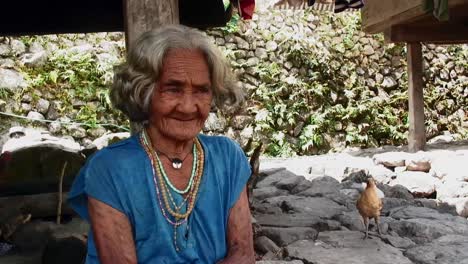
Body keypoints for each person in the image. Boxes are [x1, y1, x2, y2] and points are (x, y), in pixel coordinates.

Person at [68, 24, 255, 264]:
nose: (188, 107)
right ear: (144, 92)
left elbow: (243, 254)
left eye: (201, 91)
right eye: (173, 89)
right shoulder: (110, 169)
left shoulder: (227, 157)